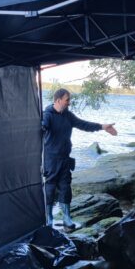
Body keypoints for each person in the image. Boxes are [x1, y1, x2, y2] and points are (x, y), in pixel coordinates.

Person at [42, 88, 117, 230]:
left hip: (65, 159)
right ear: (58, 100)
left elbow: (84, 125)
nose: (69, 102)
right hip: (50, 160)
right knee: (50, 188)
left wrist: (102, 126)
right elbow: (42, 127)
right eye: (67, 100)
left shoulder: (68, 116)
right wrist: (42, 127)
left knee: (66, 188)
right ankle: (49, 217)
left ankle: (67, 218)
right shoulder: (47, 115)